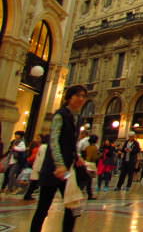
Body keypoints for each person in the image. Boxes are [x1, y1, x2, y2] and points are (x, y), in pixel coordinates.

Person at [29, 85, 88, 232]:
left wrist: (77, 157)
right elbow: (54, 141)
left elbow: (71, 143)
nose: (81, 99)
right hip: (53, 170)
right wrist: (59, 165)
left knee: (71, 206)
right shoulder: (60, 115)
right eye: (78, 95)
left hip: (67, 170)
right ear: (69, 97)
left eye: (83, 96)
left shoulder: (78, 118)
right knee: (43, 207)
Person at [23, 135, 50, 200]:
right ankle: (28, 195)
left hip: (37, 166)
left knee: (34, 182)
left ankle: (28, 195)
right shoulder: (44, 147)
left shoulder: (42, 146)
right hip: (39, 167)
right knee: (35, 183)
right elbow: (41, 158)